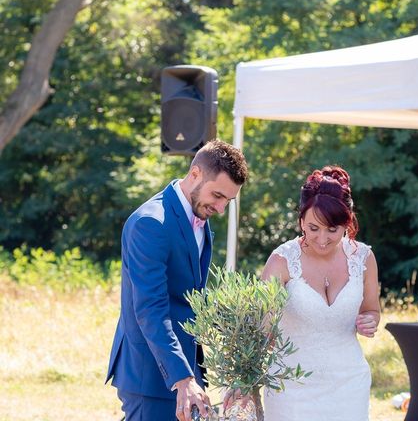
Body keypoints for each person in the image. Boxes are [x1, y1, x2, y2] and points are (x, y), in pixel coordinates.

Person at [106, 139, 248, 421]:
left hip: (188, 370)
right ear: (194, 174)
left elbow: (189, 295)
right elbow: (150, 309)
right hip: (150, 373)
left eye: (228, 201)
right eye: (217, 196)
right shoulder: (150, 223)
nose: (220, 208)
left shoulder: (199, 218)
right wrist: (182, 378)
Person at [259, 165, 380, 421]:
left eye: (332, 229)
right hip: (290, 388)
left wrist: (369, 321)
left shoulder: (364, 258)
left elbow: (371, 309)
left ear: (347, 223)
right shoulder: (281, 261)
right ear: (301, 220)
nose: (322, 239)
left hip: (349, 385)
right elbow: (259, 330)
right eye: (313, 228)